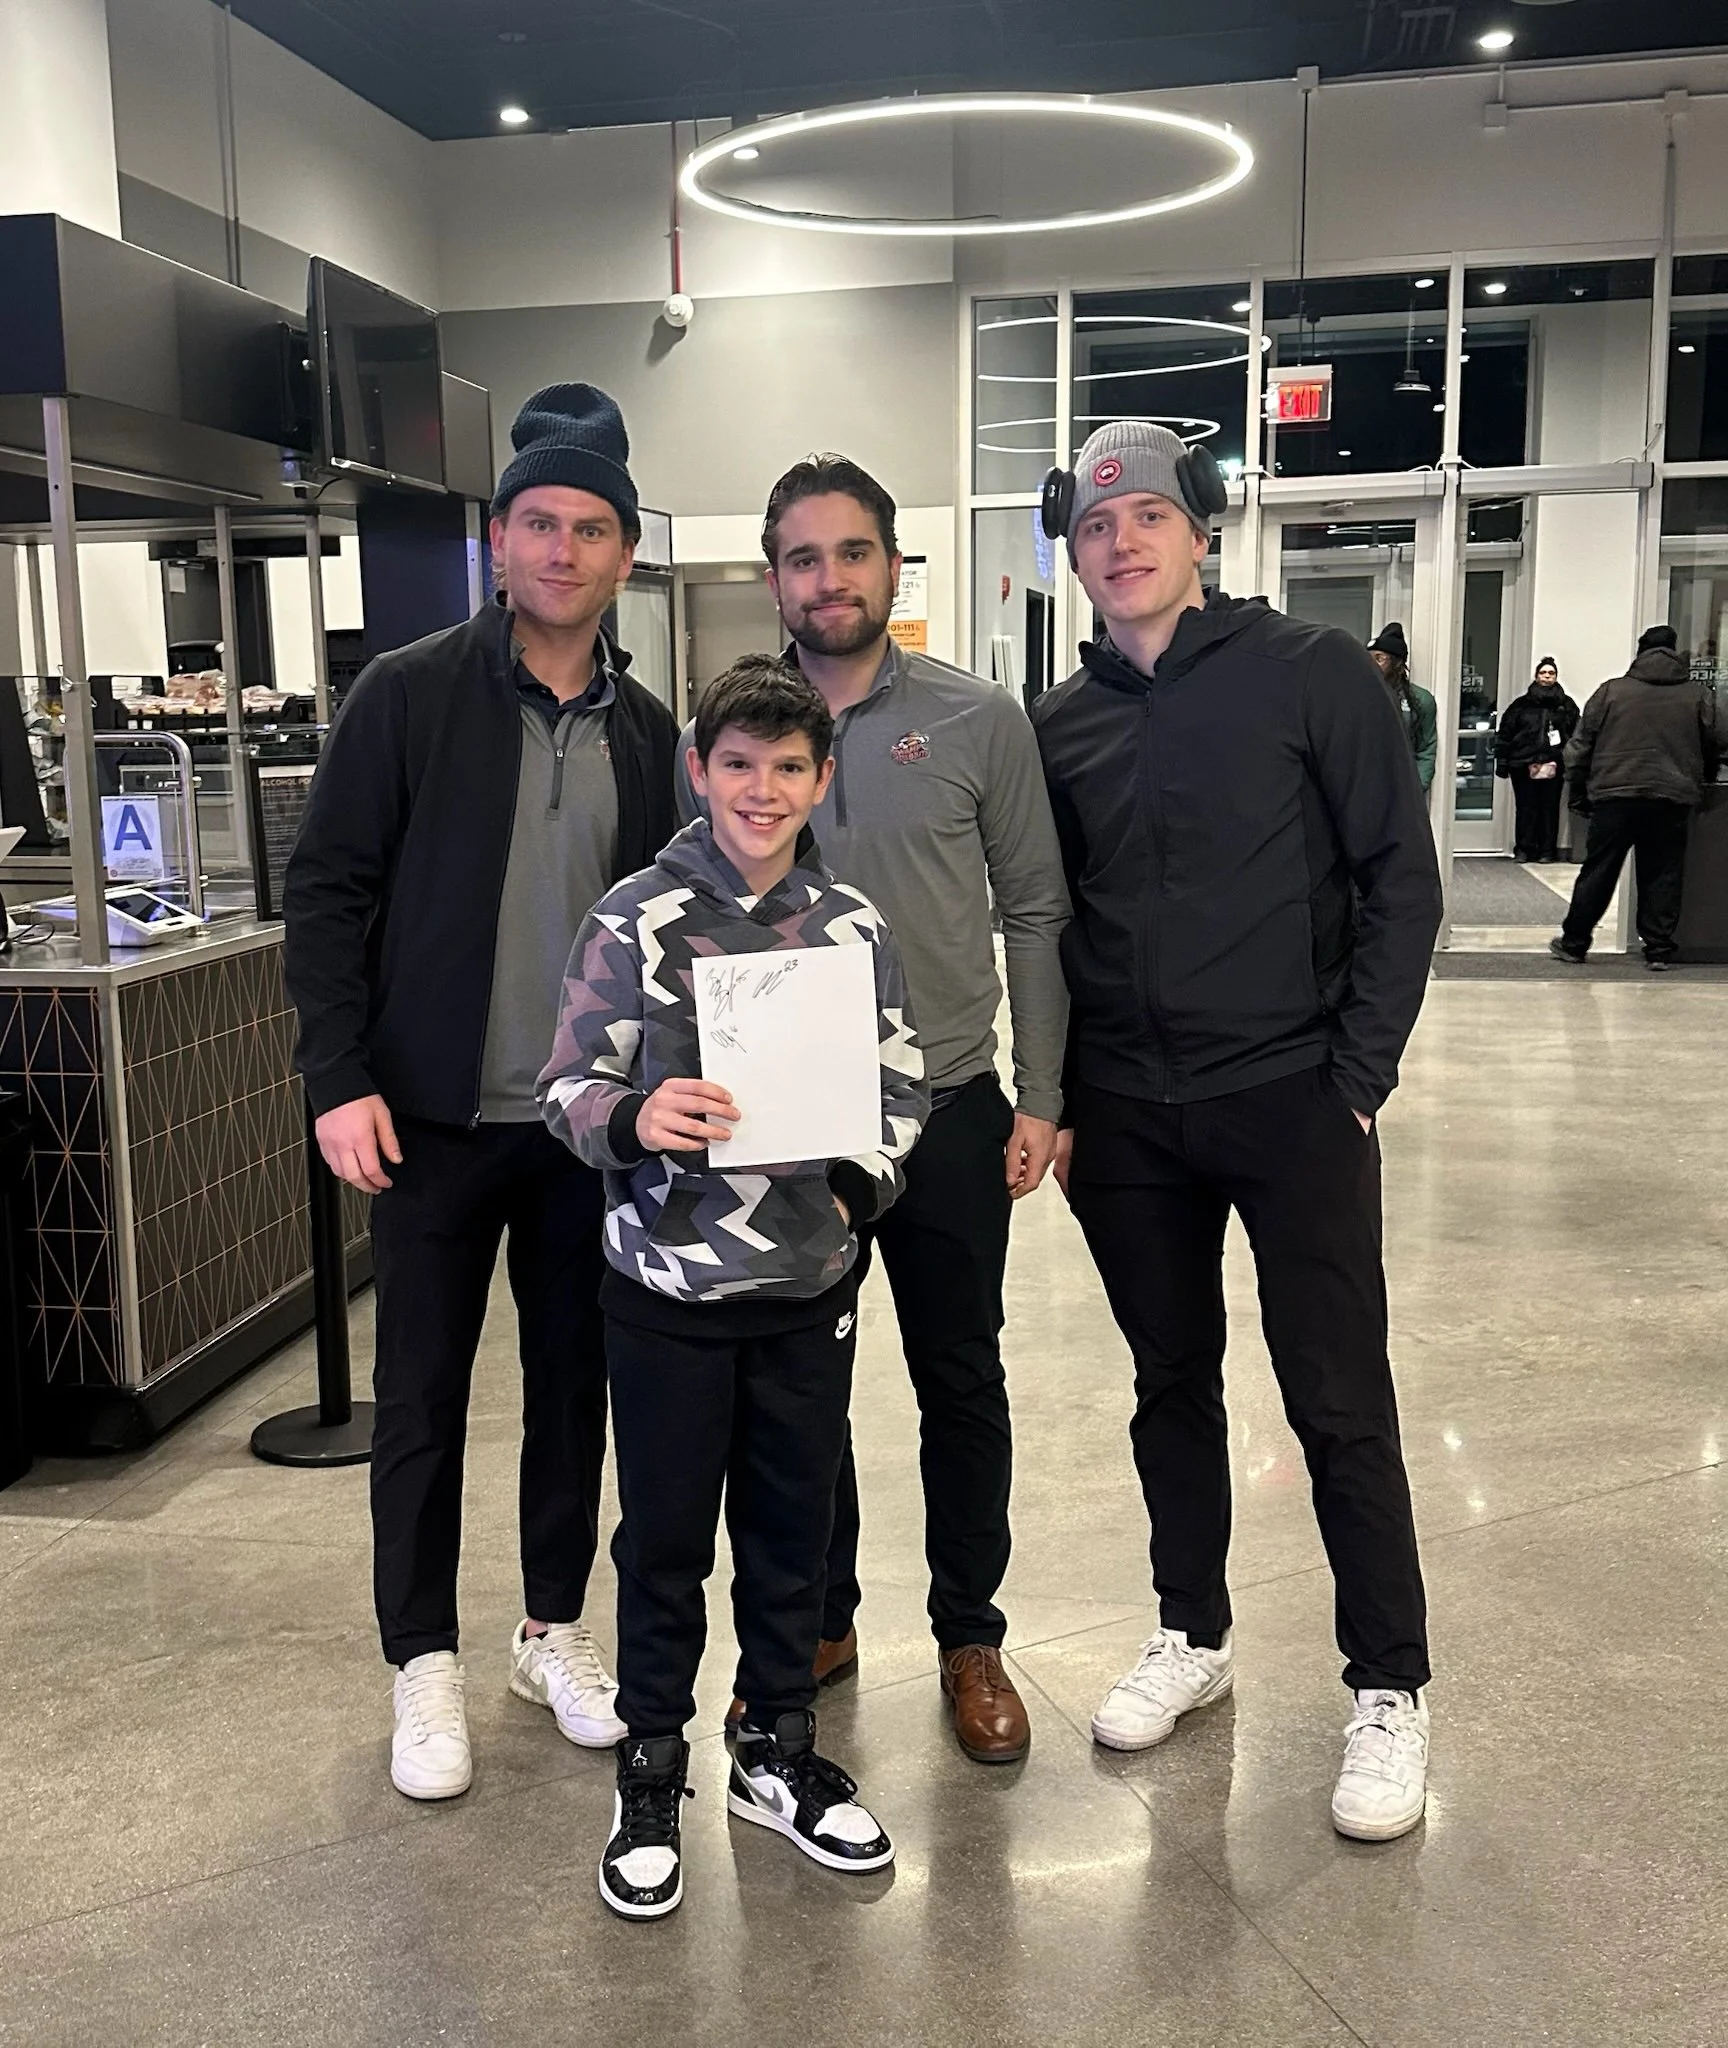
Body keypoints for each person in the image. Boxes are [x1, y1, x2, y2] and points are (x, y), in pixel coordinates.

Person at [1033, 421, 1443, 1843]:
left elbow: (1401, 877)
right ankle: (1191, 1632)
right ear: (1072, 554)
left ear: (1201, 530)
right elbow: (1050, 922)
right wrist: (1068, 1094)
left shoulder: (1309, 675)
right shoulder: (1061, 723)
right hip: (1131, 1117)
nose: (1124, 541)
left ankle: (1388, 1686)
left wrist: (1359, 1073)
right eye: (1095, 526)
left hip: (1292, 1096)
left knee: (1337, 1397)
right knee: (1169, 1384)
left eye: (1150, 514)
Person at [283, 384, 678, 1800]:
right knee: (422, 1399)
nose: (563, 551)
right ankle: (422, 1660)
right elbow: (326, 894)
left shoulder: (651, 731)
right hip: (432, 1124)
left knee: (578, 1389)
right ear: (497, 541)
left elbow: (672, 929)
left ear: (623, 553)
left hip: (582, 1133)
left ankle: (551, 1631)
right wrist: (337, 1074)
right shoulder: (407, 697)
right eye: (538, 525)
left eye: (590, 529)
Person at [677, 455, 1070, 1765]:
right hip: (788, 1127)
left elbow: (1035, 909)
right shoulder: (738, 731)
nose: (827, 579)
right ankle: (813, 1627)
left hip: (948, 1108)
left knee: (960, 1378)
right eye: (801, 556)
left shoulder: (976, 720)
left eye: (852, 553)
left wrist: (1043, 1094)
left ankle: (972, 1636)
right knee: (792, 1394)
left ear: (893, 568)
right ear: (775, 576)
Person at [540, 655, 929, 1920]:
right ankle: (654, 1760)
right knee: (662, 1539)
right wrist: (640, 1115)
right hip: (666, 1288)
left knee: (793, 1535)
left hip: (807, 1284)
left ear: (822, 779)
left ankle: (775, 1745)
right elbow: (566, 1090)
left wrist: (860, 1188)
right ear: (700, 768)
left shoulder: (852, 925)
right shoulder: (632, 918)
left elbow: (901, 1088)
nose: (763, 790)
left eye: (791, 767)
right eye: (739, 763)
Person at [1550, 625, 1723, 972]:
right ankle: (1658, 948)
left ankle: (1575, 943)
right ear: (1675, 652)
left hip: (1615, 795)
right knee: (1662, 872)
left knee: (1599, 870)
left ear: (1640, 652)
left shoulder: (1611, 692)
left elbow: (1580, 747)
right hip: (1671, 796)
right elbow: (1717, 741)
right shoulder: (1698, 695)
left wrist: (1579, 788)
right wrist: (1702, 775)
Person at [1495, 656, 1580, 863]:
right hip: (1523, 765)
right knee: (1526, 808)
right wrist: (1503, 762)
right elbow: (1505, 733)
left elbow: (1577, 734)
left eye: (1551, 673)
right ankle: (1524, 849)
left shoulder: (1566, 706)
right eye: (1543, 673)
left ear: (1556, 677)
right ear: (1536, 676)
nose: (1547, 677)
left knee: (1549, 809)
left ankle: (1546, 851)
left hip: (1554, 765)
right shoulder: (1520, 705)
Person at [1369, 622, 1437, 796]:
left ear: (1398, 663)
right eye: (1369, 659)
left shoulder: (1421, 700)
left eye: (1379, 658)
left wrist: (1417, 787)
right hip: (1366, 786)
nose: (1372, 665)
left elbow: (1426, 748)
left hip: (1403, 787)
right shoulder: (1359, 696)